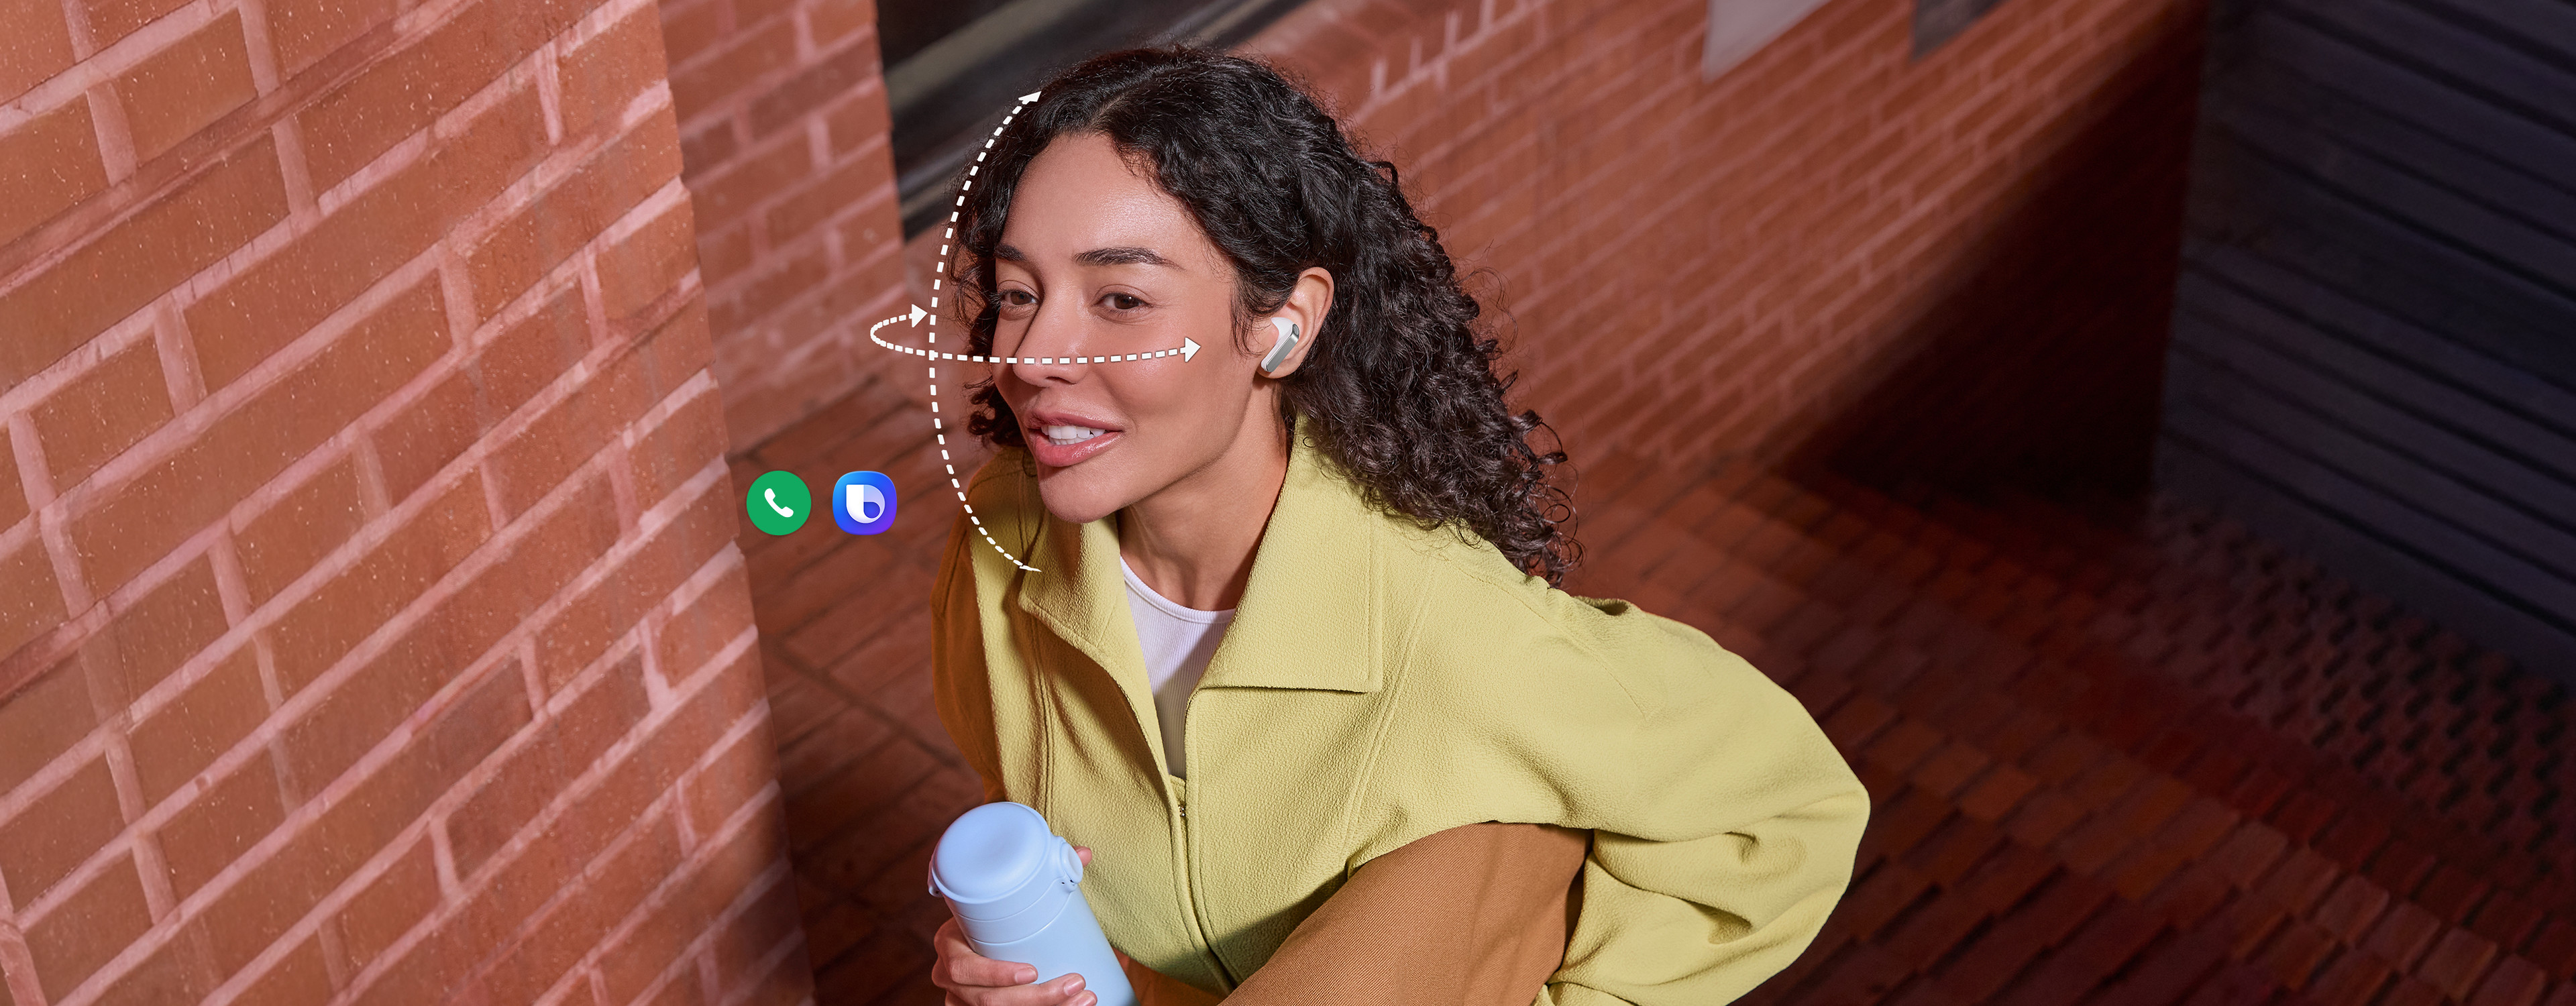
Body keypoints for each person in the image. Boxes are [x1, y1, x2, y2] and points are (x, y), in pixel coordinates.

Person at [926, 47, 1870, 1005]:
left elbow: (1788, 812)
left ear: (1284, 326)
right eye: (1018, 294)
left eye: (1121, 300)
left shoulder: (1456, 631)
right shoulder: (1004, 549)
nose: (1034, 354)